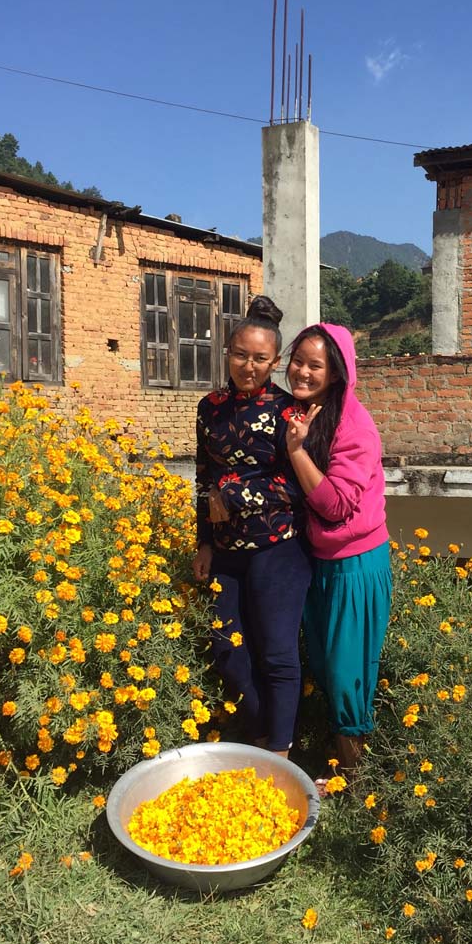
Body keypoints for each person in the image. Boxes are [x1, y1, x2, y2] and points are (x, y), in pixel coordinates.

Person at [193, 296, 311, 757]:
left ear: (275, 362)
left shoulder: (290, 413)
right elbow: (204, 476)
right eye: (241, 354)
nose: (249, 365)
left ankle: (279, 753)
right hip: (225, 549)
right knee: (227, 650)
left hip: (278, 547)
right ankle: (262, 736)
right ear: (227, 351)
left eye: (260, 358)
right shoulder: (211, 407)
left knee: (276, 653)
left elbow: (301, 487)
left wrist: (238, 495)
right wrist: (204, 540)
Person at [284, 323, 392, 778]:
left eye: (315, 365)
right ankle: (341, 766)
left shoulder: (353, 423)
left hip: (354, 565)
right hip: (322, 561)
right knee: (328, 667)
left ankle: (358, 780)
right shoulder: (306, 411)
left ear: (337, 372)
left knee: (348, 673)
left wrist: (296, 452)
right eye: (298, 361)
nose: (302, 372)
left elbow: (334, 505)